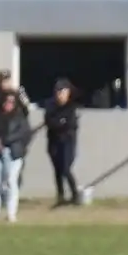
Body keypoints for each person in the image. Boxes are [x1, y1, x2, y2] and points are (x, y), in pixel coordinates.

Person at [0, 90, 32, 223]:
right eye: (6, 101)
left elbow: (24, 134)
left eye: (12, 102)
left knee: (10, 181)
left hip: (13, 153)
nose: (8, 104)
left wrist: (5, 141)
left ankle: (11, 213)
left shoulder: (19, 117)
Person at [44, 78, 81, 206]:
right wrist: (60, 123)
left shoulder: (72, 107)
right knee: (57, 170)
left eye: (63, 92)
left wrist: (60, 123)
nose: (60, 95)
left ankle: (75, 195)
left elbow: (70, 124)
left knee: (66, 168)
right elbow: (50, 122)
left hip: (67, 142)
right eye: (58, 92)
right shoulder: (50, 106)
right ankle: (60, 196)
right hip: (53, 142)